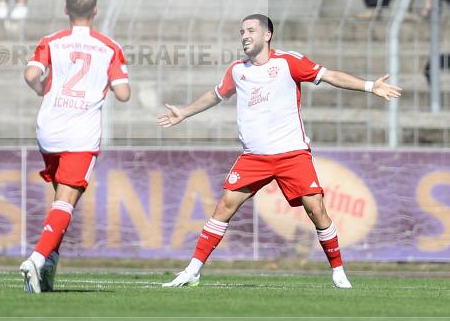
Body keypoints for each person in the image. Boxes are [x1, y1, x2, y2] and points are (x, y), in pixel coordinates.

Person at [159, 14, 402, 289]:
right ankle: (193, 270)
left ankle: (338, 271)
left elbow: (330, 75)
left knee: (316, 209)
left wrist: (370, 86)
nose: (245, 35)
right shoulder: (238, 70)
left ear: (267, 35)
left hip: (292, 154)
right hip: (254, 157)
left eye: (250, 30)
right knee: (224, 206)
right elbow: (216, 95)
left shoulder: (289, 62)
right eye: (241, 32)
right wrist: (184, 112)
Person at [19, 0, 130, 293]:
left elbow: (30, 75)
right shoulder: (109, 47)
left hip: (48, 129)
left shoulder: (51, 41)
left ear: (66, 10)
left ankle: (49, 264)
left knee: (60, 199)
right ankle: (37, 259)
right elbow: (123, 94)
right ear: (95, 11)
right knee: (67, 201)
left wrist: (43, 89)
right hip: (81, 133)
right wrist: (111, 82)